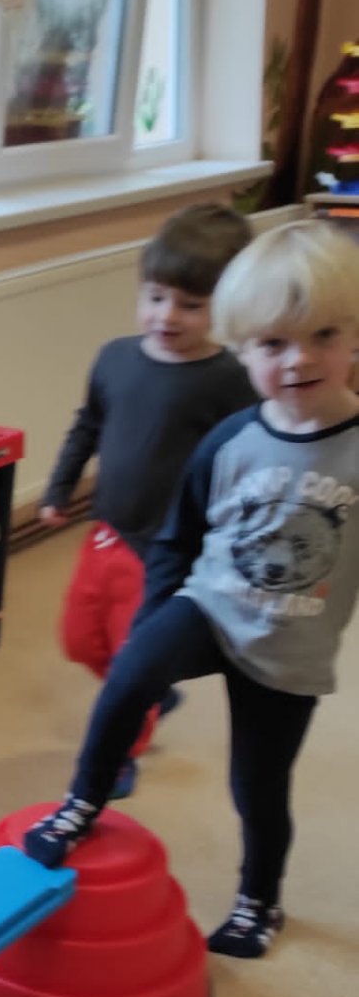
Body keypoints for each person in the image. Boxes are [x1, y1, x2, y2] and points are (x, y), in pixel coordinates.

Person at [23, 220, 359, 959]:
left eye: (323, 337)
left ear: (354, 337)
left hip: (291, 645)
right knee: (128, 677)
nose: (298, 360)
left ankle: (258, 901)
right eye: (273, 344)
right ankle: (83, 801)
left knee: (258, 786)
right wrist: (152, 623)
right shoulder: (231, 438)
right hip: (211, 604)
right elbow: (178, 538)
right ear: (245, 349)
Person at [38, 203, 255, 797]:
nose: (167, 316)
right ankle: (153, 690)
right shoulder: (115, 358)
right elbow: (87, 426)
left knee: (130, 657)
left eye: (190, 304)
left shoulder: (230, 380)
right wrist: (58, 489)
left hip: (166, 550)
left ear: (225, 308)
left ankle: (121, 748)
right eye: (156, 297)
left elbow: (248, 459)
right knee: (80, 640)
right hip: (105, 532)